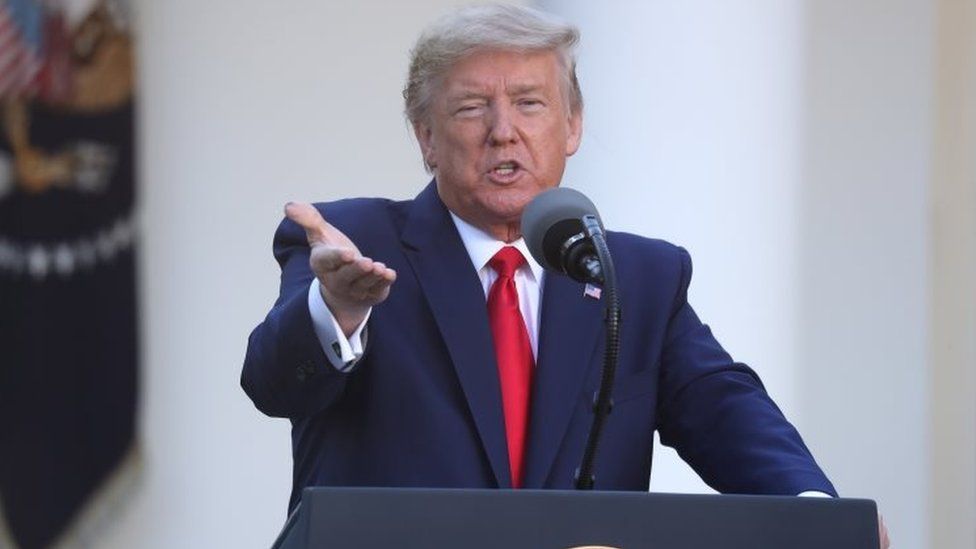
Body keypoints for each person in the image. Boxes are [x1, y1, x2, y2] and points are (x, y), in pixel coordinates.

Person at [241, 5, 888, 547]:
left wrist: (816, 512)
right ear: (426, 136)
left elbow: (726, 409)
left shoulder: (635, 277)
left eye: (530, 103)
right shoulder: (355, 244)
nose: (504, 132)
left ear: (572, 124)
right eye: (472, 108)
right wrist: (336, 309)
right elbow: (272, 383)